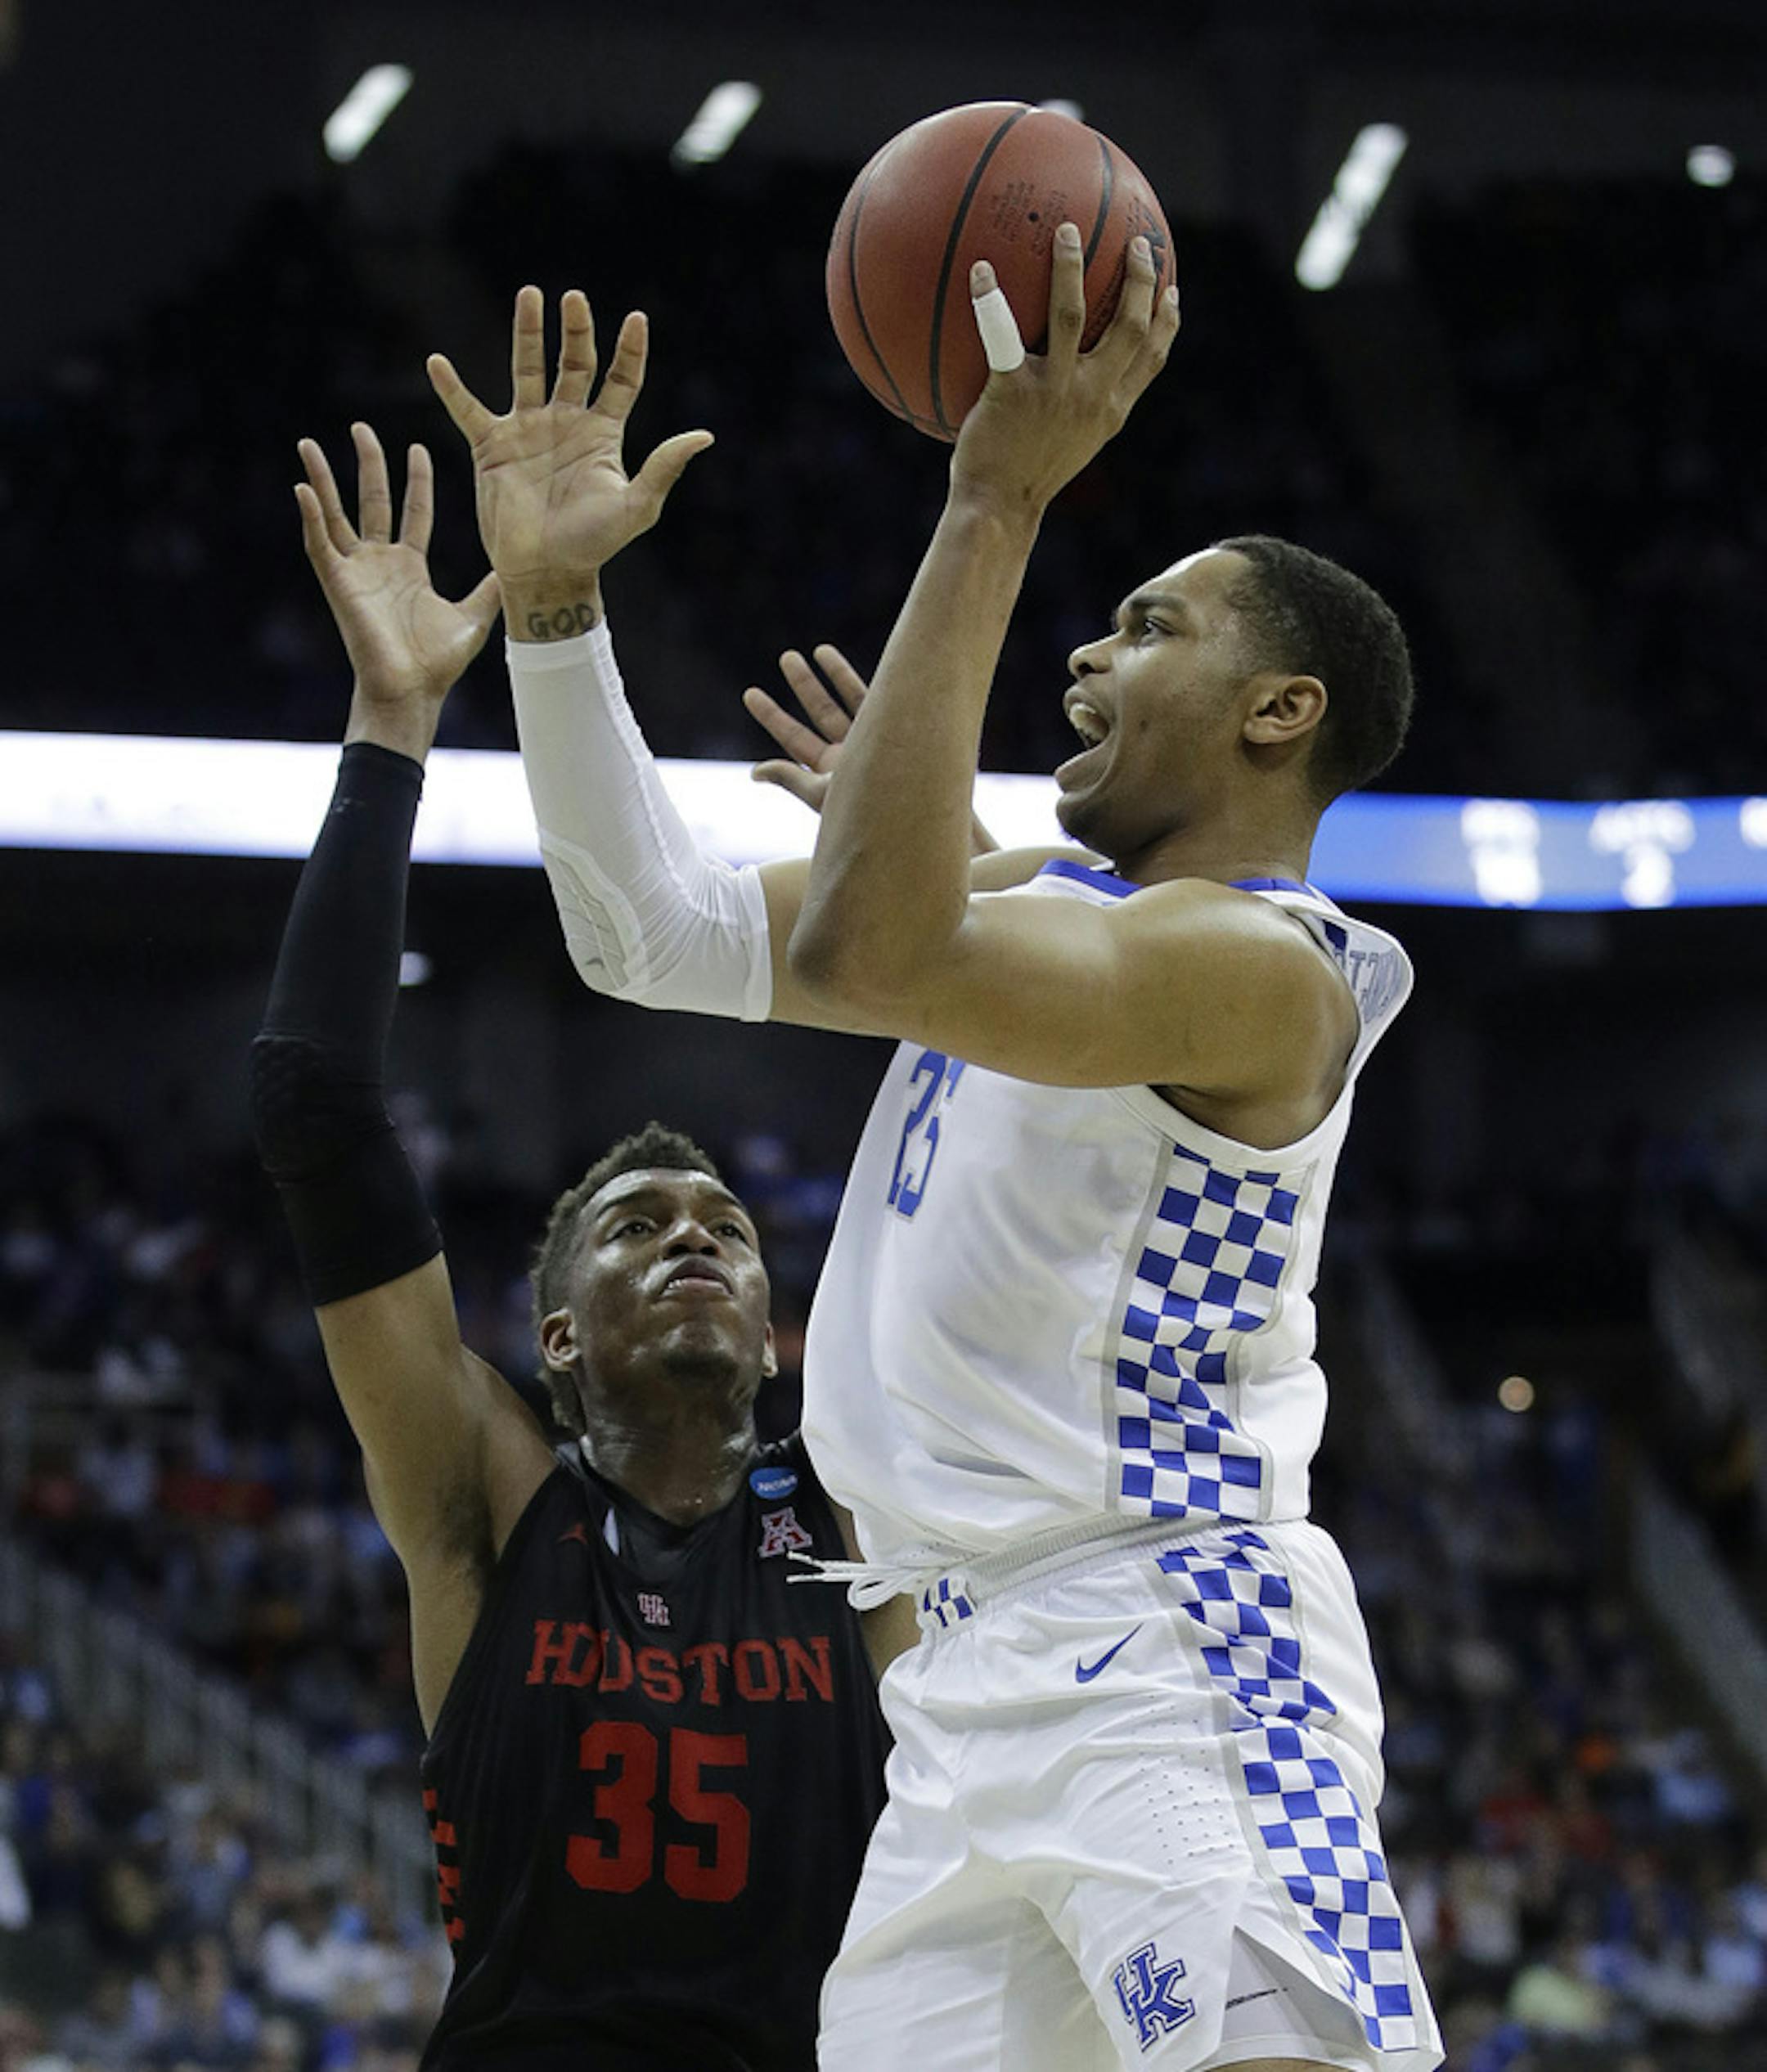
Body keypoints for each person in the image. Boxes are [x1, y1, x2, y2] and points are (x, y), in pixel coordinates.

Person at [429, 228, 1441, 2070]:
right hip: (958, 1708)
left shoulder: (1259, 968)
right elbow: (639, 933)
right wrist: (559, 619)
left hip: (1168, 1650)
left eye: (1152, 627)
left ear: (1280, 713)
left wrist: (996, 494)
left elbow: (877, 946)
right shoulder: (1055, 913)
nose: (1089, 649)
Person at [250, 422, 892, 2071]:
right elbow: (318, 1103)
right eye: (637, 1227)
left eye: (729, 1231)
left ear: (772, 1334)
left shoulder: (854, 1518)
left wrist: (914, 885)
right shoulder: (489, 1500)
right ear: (551, 1338)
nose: (694, 1238)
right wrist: (393, 720)